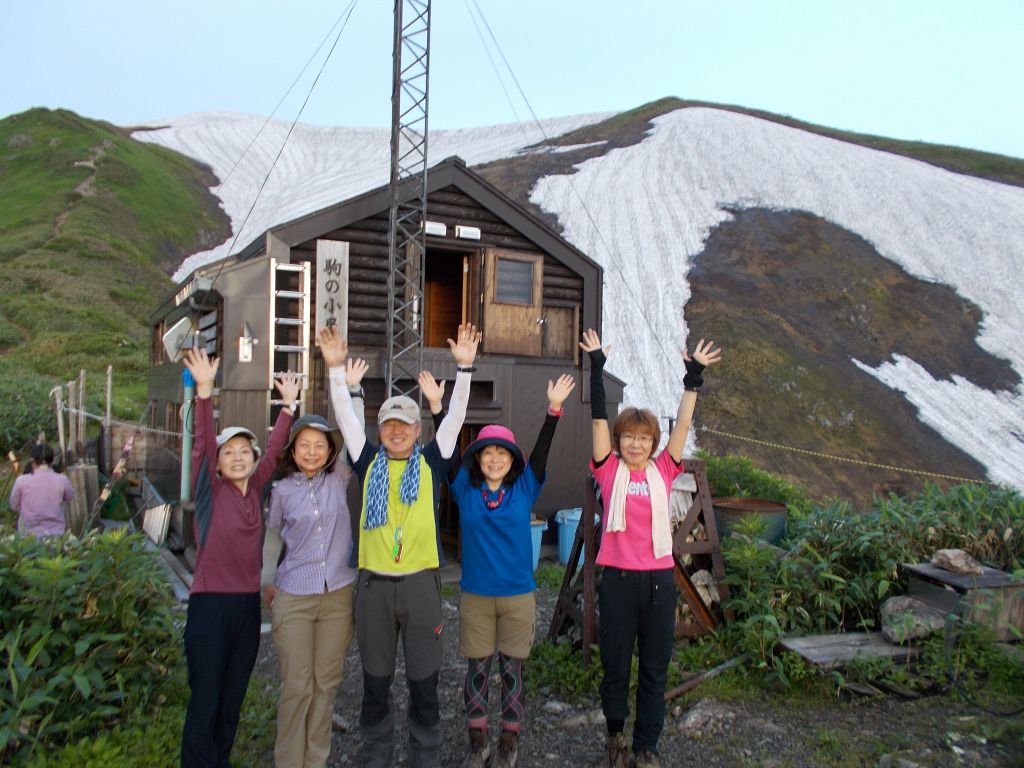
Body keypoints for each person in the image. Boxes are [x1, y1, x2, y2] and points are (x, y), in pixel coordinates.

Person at [319, 323, 480, 768]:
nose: (396, 431)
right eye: (389, 424)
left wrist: (465, 368)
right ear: (379, 427)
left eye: (405, 425)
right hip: (372, 588)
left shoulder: (432, 461)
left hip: (420, 587)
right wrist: (335, 371)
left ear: (416, 429)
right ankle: (376, 758)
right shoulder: (366, 459)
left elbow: (457, 417)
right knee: (375, 682)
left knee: (425, 682)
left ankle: (423, 758)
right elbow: (345, 417)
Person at [580, 328, 722, 768]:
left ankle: (647, 747)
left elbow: (682, 425)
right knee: (617, 666)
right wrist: (597, 366)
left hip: (659, 582)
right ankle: (615, 737)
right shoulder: (608, 471)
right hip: (619, 582)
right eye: (629, 437)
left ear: (652, 443)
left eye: (643, 438)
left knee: (655, 669)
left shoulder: (664, 469)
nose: (636, 443)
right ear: (620, 442)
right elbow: (599, 418)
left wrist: (692, 379)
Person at [422, 372, 575, 768]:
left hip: (517, 595)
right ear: (478, 459)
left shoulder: (524, 488)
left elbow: (541, 454)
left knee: (511, 670)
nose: (493, 458)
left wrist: (553, 411)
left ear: (511, 461)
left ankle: (509, 742)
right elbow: (448, 451)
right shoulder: (463, 488)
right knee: (477, 669)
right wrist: (438, 409)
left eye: (502, 453)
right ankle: (478, 744)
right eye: (487, 453)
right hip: (475, 595)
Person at [180, 347, 301, 768]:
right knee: (207, 697)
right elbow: (200, 446)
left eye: (242, 452)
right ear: (217, 463)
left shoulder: (256, 488)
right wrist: (205, 391)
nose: (236, 457)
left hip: (247, 608)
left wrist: (288, 407)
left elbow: (273, 450)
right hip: (210, 607)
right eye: (227, 452)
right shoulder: (209, 493)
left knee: (232, 698)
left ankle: (220, 759)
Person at [260, 357, 368, 768]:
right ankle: (288, 760)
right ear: (294, 450)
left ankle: (315, 759)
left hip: (338, 593)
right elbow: (272, 540)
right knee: (297, 685)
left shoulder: (340, 477)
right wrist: (266, 583)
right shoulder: (282, 490)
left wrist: (354, 391)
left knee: (326, 684)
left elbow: (356, 434)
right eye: (303, 444)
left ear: (329, 451)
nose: (311, 451)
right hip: (293, 595)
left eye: (318, 445)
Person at [9, 444, 73, 537]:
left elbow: (14, 506)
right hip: (56, 535)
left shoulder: (21, 481)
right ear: (52, 461)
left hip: (29, 536)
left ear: (32, 461)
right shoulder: (62, 479)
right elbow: (69, 497)